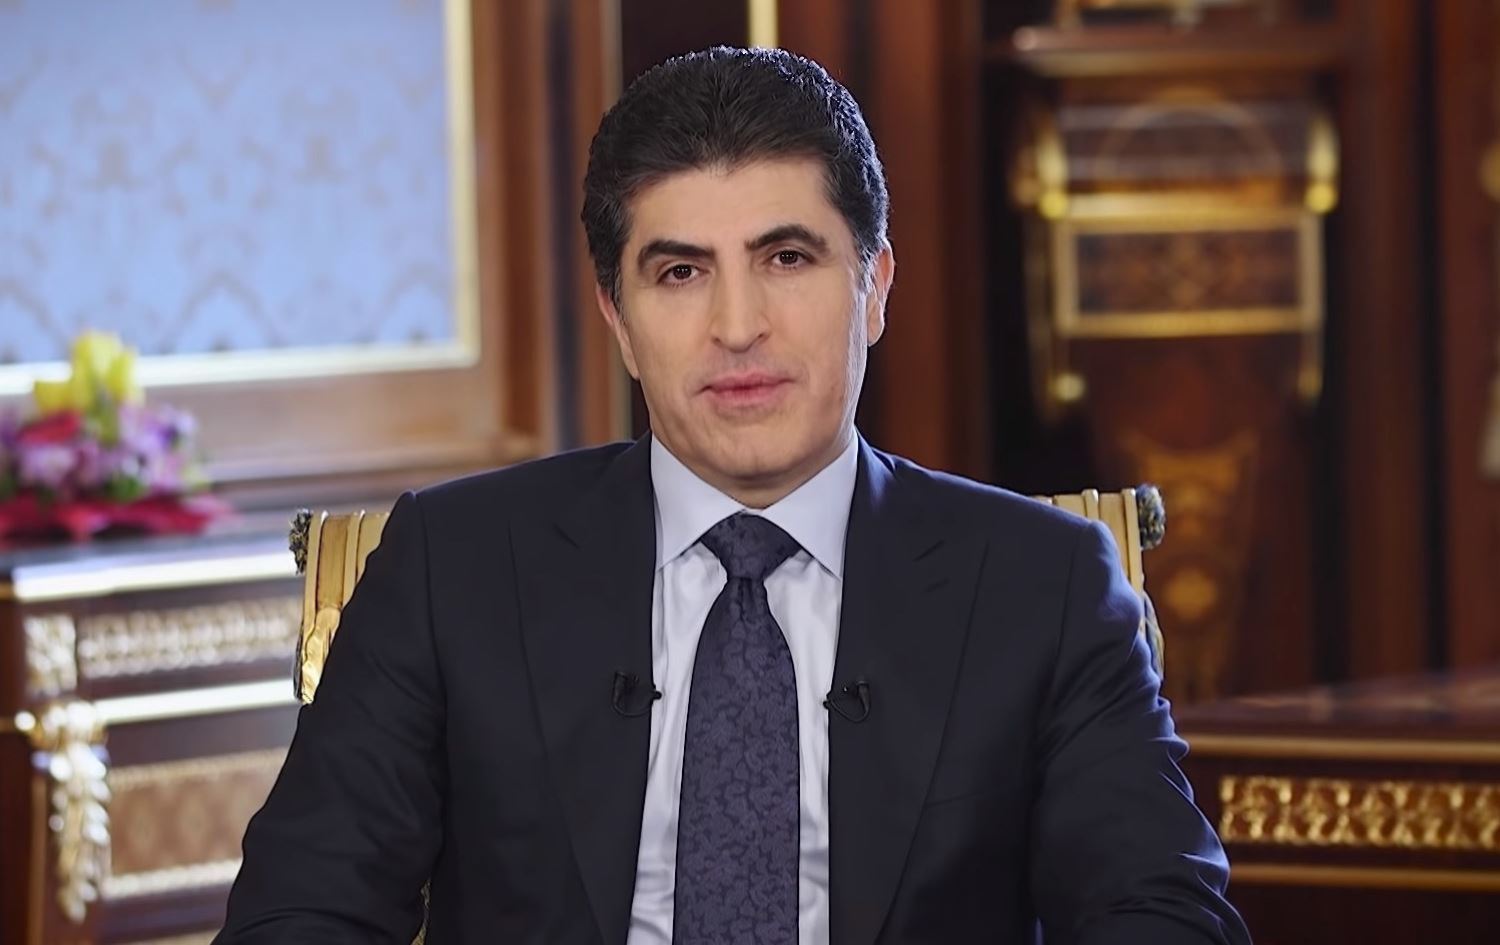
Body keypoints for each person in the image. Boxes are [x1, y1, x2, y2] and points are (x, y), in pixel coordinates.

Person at [218, 46, 1251, 945]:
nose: (738, 325)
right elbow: (300, 916)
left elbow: (1160, 914)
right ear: (618, 320)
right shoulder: (456, 567)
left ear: (874, 287)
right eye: (680, 273)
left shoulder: (1041, 585)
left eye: (786, 258)